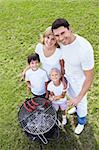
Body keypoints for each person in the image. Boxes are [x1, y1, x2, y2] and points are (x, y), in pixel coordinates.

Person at [51, 18, 94, 134]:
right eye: (57, 35)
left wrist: (79, 97)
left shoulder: (84, 49)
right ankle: (76, 107)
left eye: (63, 33)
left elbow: (89, 77)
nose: (60, 38)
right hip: (68, 78)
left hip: (80, 82)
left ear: (70, 29)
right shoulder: (61, 42)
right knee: (71, 97)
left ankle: (81, 122)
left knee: (81, 102)